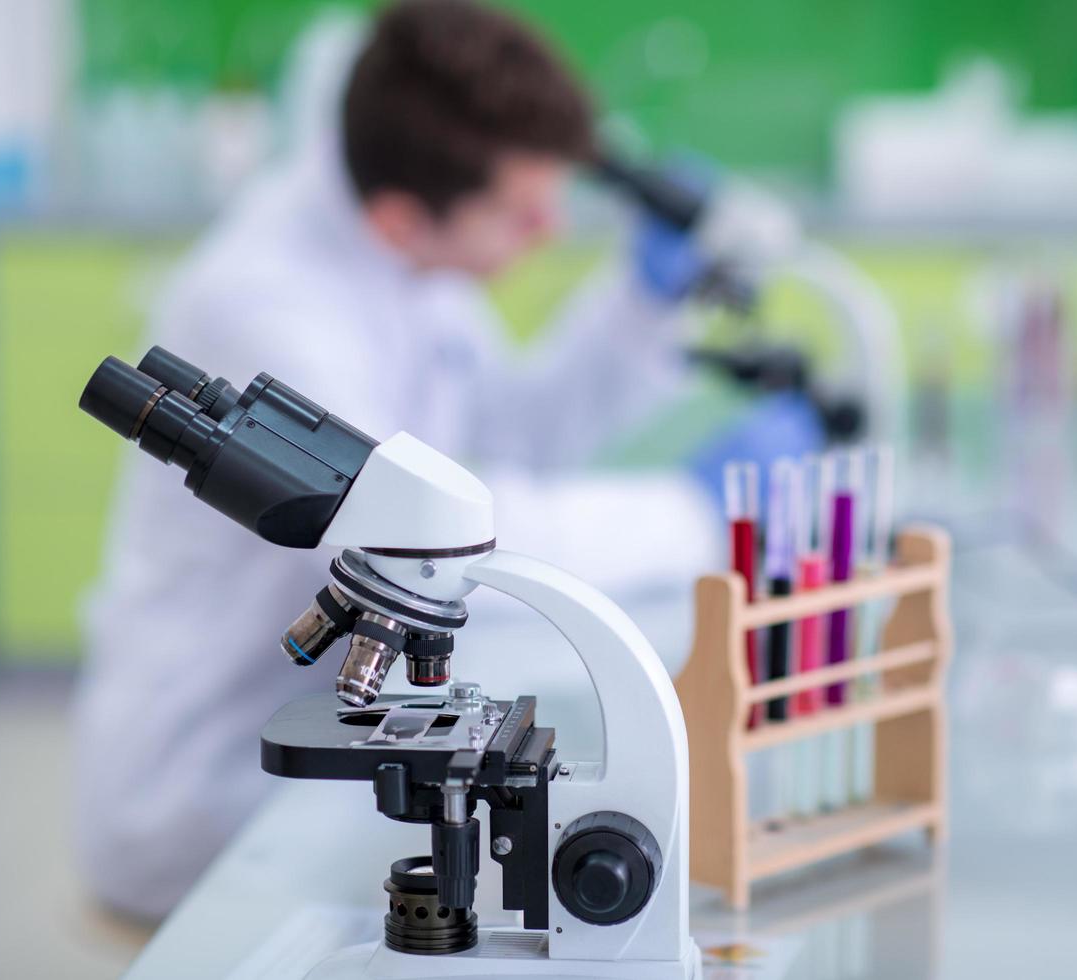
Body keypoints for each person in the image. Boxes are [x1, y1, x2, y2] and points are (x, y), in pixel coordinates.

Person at [74, 0, 722, 922]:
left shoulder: (404, 256)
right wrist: (692, 513)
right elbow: (423, 544)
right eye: (525, 212)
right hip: (212, 789)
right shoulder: (270, 309)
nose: (551, 231)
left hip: (340, 723)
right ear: (401, 220)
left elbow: (506, 435)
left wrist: (640, 311)